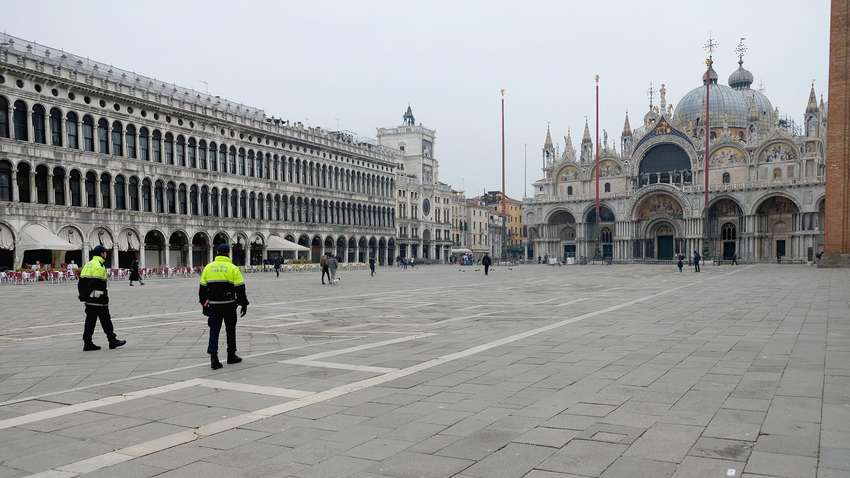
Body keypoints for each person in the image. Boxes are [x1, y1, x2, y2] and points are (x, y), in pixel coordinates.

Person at [199, 243, 248, 370]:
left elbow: (202, 290)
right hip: (229, 305)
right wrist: (243, 304)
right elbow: (240, 289)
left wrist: (205, 305)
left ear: (217, 254)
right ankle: (231, 355)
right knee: (230, 330)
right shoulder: (233, 268)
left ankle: (213, 358)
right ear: (227, 254)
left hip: (214, 305)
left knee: (214, 331)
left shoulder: (208, 268)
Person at [77, 245, 126, 351]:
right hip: (98, 300)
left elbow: (81, 283)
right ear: (102, 253)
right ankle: (112, 341)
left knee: (90, 321)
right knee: (106, 321)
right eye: (105, 252)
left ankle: (87, 342)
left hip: (89, 300)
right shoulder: (99, 266)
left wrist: (83, 296)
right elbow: (98, 285)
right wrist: (103, 299)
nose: (106, 254)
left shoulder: (88, 264)